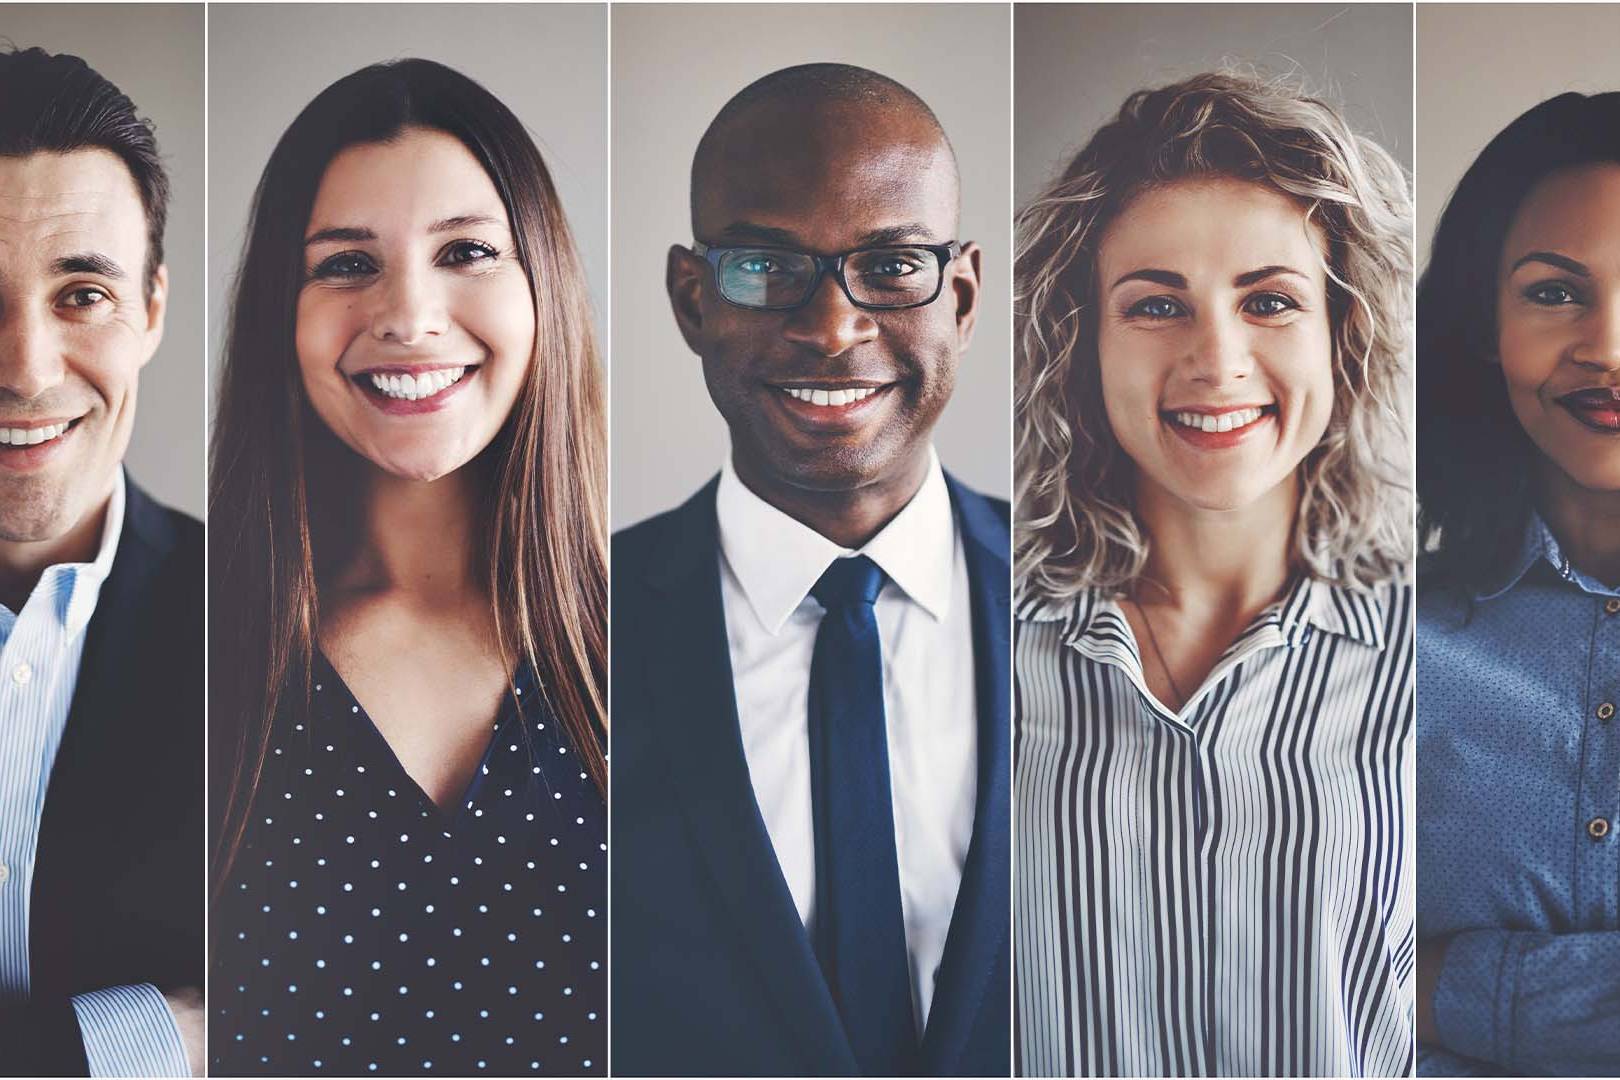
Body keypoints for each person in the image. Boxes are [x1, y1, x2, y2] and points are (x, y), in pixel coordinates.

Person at [208, 60, 606, 1076]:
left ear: (543, 286)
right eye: (346, 263)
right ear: (279, 313)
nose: (410, 315)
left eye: (466, 250)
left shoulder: (679, 638)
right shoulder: (192, 643)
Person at [611, 63, 1010, 1077]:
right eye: (764, 265)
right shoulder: (558, 626)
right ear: (692, 299)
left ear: (961, 295)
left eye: (891, 267)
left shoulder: (1099, 600)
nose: (833, 329)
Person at [1013, 71, 1414, 1076]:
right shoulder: (973, 650)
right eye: (1157, 306)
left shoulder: (1437, 656)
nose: (1217, 359)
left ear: (1344, 333)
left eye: (1270, 301)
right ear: (1083, 345)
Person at [0, 46, 203, 1078]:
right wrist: (152, 1039)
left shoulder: (290, 630)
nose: (26, 369)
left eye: (81, 294)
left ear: (152, 310)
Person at [1415, 91, 1620, 1077]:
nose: (1609, 348)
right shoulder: (1376, 638)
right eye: (1553, 292)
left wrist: (1445, 982)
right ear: (1483, 322)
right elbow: (1281, 963)